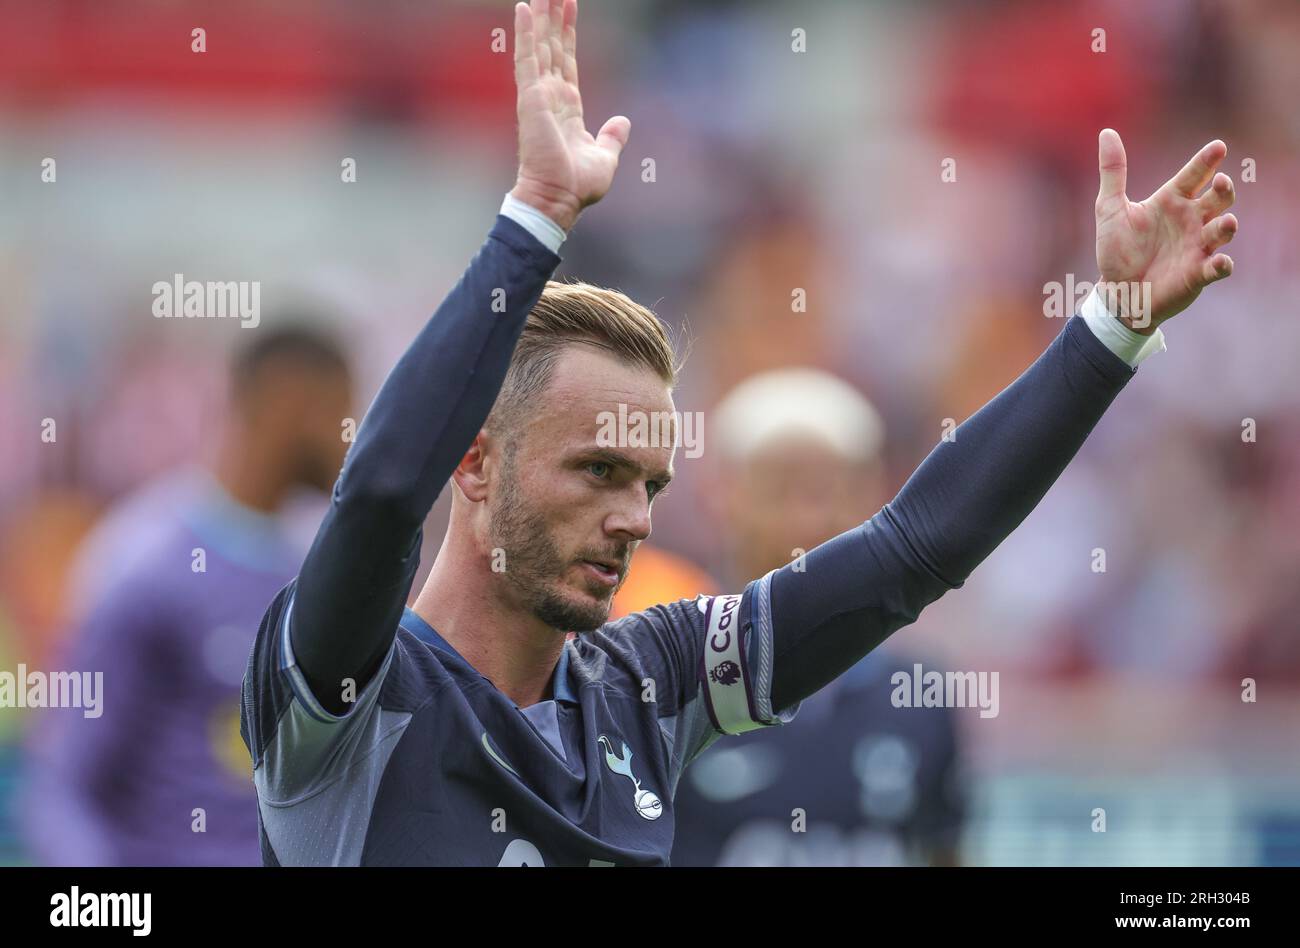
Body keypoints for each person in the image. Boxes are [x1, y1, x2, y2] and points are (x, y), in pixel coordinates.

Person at [241, 0, 1239, 866]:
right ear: (473, 459)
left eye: (649, 482)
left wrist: (1112, 328)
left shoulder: (648, 684)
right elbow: (375, 496)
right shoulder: (349, 692)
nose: (632, 516)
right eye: (596, 469)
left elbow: (912, 550)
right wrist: (534, 218)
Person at [22, 326, 351, 866]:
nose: (350, 440)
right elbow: (61, 787)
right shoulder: (145, 563)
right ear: (286, 407)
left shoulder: (318, 565)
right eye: (339, 411)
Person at [670, 369, 964, 866]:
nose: (809, 519)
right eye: (782, 488)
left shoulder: (919, 692)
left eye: (833, 489)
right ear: (721, 495)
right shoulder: (665, 677)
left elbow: (943, 850)